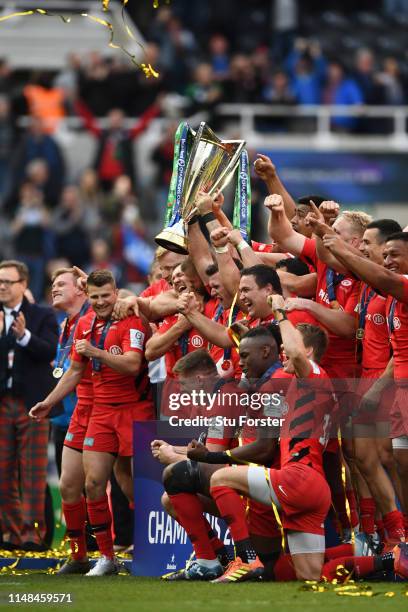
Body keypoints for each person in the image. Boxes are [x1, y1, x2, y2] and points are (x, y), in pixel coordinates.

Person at [31, 269, 154, 574]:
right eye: (95, 296)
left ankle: (153, 549)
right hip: (97, 411)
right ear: (88, 295)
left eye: (106, 296)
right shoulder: (82, 324)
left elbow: (132, 364)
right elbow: (74, 371)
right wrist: (50, 400)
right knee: (90, 483)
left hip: (133, 410)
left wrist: (96, 351)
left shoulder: (132, 319)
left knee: (136, 484)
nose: (100, 302)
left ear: (116, 293)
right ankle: (99, 557)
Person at [0, 259, 59, 550]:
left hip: (32, 405)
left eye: (7, 282)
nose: (1, 287)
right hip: (2, 403)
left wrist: (23, 336)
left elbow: (49, 349)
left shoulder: (41, 315)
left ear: (23, 285)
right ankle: (9, 532)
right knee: (2, 470)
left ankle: (32, 533)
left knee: (32, 473)